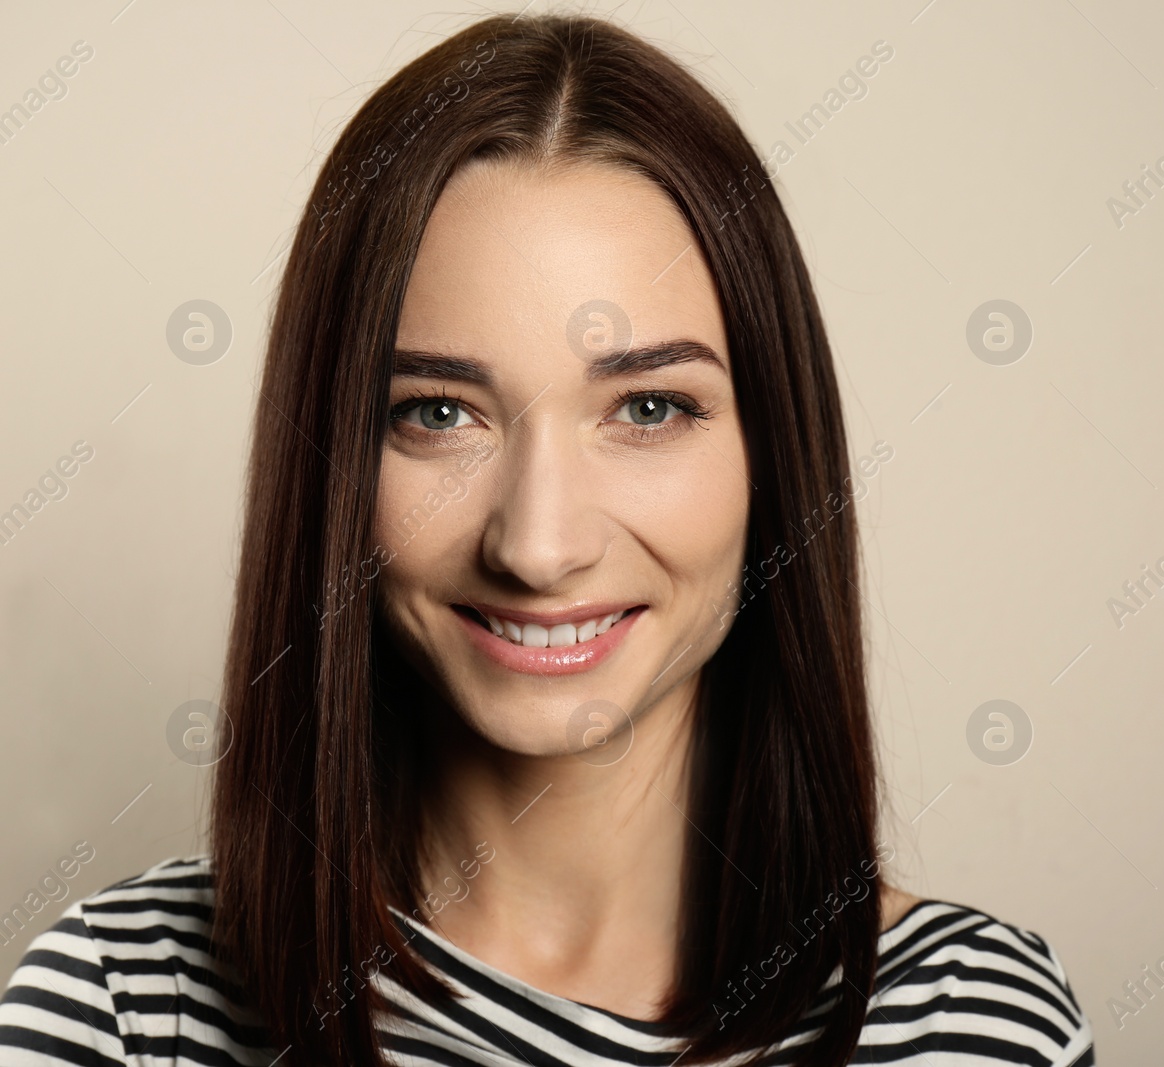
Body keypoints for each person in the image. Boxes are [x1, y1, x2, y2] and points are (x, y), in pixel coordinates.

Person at [0, 12, 1092, 1066]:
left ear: (775, 453)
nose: (539, 543)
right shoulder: (124, 1014)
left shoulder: (975, 1026)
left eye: (649, 408)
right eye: (436, 413)